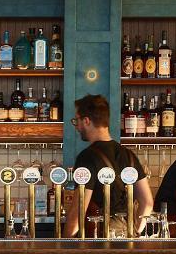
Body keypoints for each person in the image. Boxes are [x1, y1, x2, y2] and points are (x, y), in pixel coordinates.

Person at [62, 94, 153, 237]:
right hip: (126, 236)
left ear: (86, 121)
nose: (77, 126)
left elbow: (79, 210)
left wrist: (64, 246)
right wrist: (134, 231)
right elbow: (147, 202)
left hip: (98, 237)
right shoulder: (129, 155)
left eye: (76, 121)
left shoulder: (87, 157)